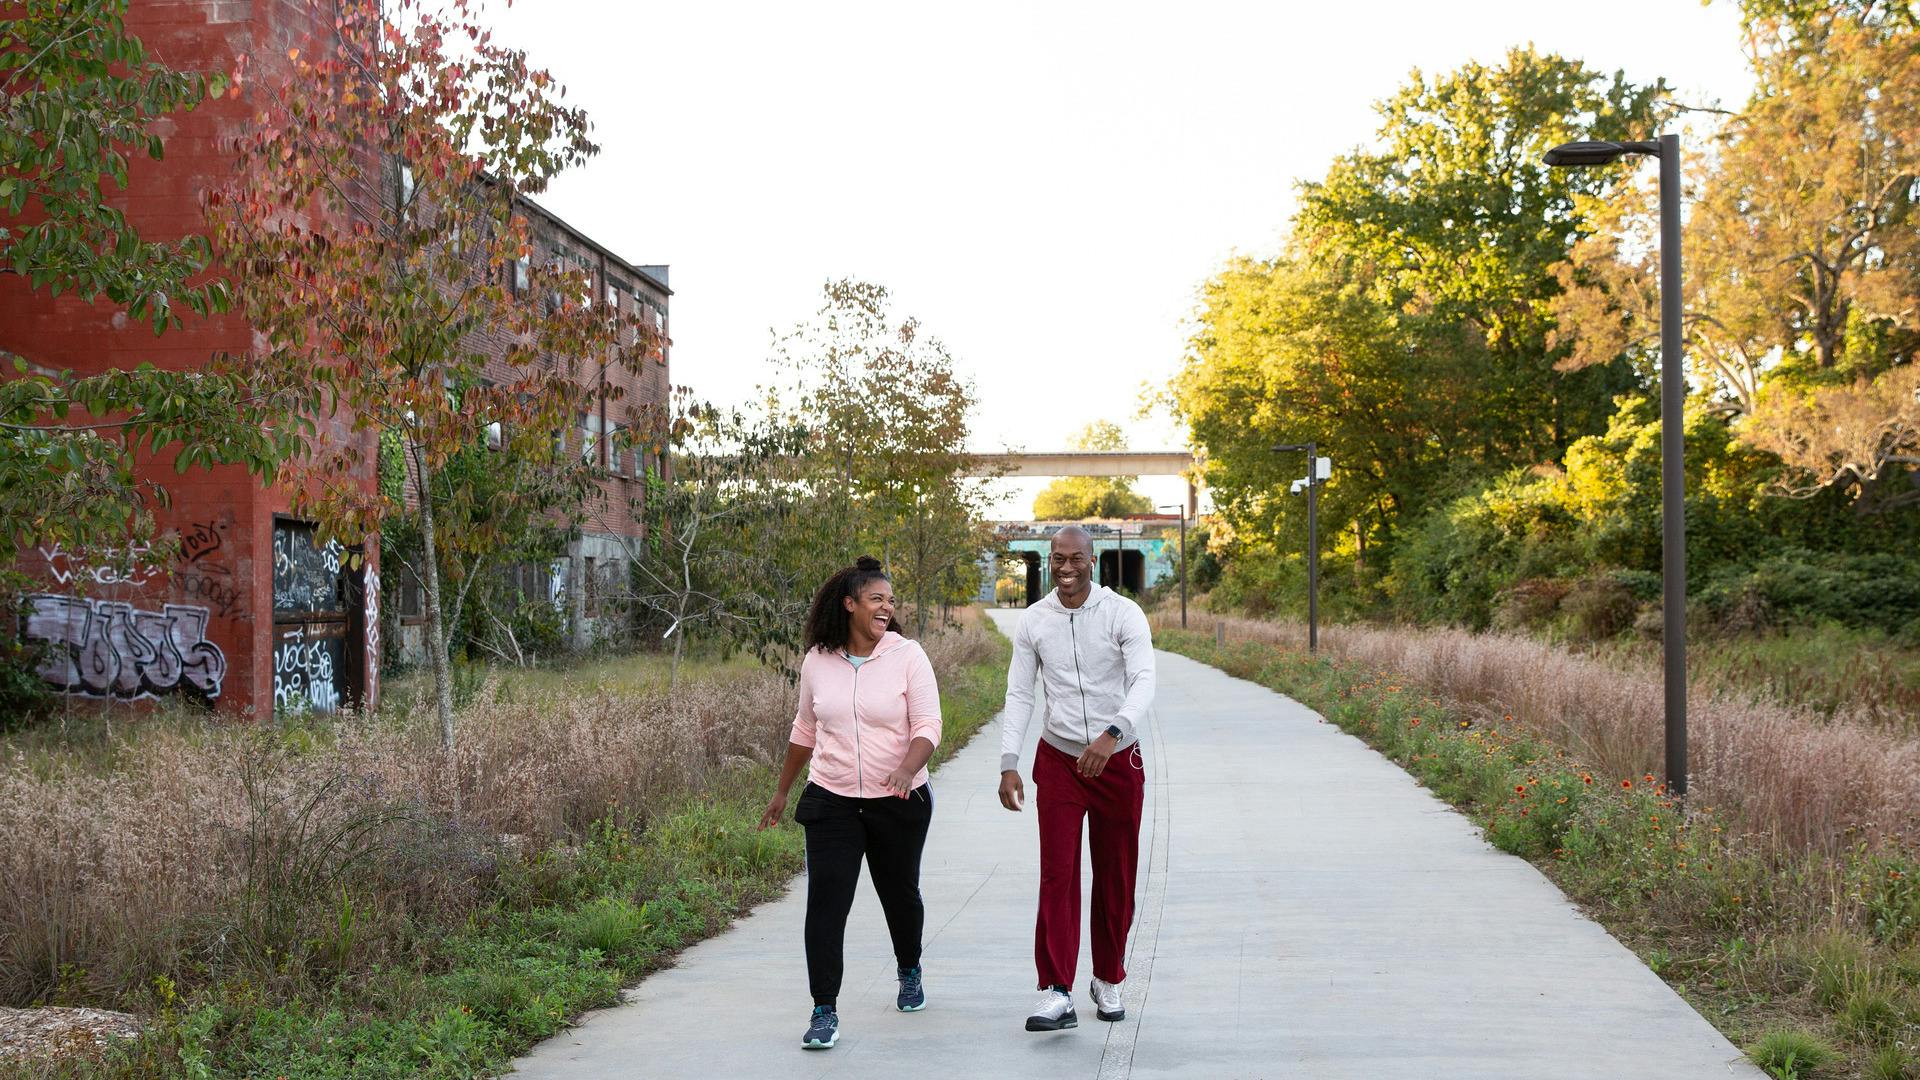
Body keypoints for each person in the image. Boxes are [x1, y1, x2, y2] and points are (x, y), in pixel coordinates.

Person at [759, 557, 943, 1050]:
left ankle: (909, 968)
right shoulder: (818, 659)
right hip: (832, 798)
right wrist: (782, 790)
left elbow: (928, 725)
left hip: (898, 799)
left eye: (890, 600)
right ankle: (824, 1009)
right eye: (877, 599)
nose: (888, 607)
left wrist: (907, 768)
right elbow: (805, 728)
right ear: (850, 604)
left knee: (899, 894)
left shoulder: (909, 657)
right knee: (826, 902)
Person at [997, 525, 1155, 1032]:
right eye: (1057, 559)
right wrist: (1008, 760)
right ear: (1049, 560)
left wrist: (1113, 733)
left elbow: (1144, 679)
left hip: (1116, 761)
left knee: (1115, 875)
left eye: (1075, 559)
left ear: (1094, 559)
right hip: (1060, 761)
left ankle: (1108, 978)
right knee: (1058, 875)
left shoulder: (1122, 614)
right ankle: (1055, 990)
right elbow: (1021, 694)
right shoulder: (1034, 621)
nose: (1066, 569)